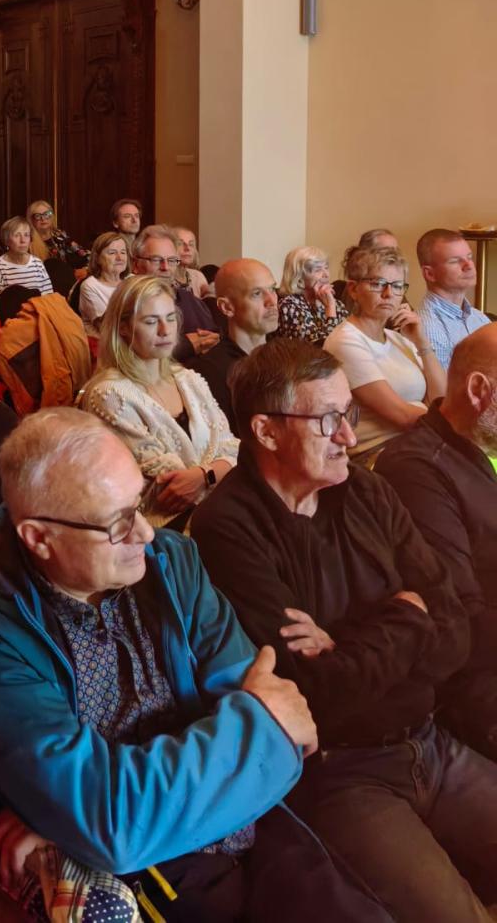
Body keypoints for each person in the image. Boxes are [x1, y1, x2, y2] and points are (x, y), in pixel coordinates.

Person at [0, 409, 390, 923]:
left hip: (249, 824)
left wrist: (86, 801)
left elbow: (283, 732)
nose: (146, 535)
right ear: (40, 538)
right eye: (117, 523)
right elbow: (113, 825)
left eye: (139, 505)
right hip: (147, 877)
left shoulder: (173, 562)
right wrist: (256, 734)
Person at [192, 337, 497, 923]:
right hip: (341, 773)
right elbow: (316, 695)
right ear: (266, 430)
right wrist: (407, 615)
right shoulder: (227, 528)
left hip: (428, 740)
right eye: (329, 420)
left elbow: (456, 631)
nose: (350, 438)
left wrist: (348, 641)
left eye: (349, 413)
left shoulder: (364, 489)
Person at [376, 323, 497, 762]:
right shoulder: (416, 468)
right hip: (473, 681)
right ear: (479, 390)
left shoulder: (484, 443)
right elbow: (461, 616)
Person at [81, 274, 238, 525]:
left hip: (217, 513)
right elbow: (167, 487)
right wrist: (220, 469)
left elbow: (232, 447)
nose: (165, 330)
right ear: (123, 328)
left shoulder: (189, 378)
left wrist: (204, 475)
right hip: (158, 529)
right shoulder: (108, 393)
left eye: (171, 318)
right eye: (151, 321)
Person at [324, 244, 446, 460]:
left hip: (420, 444)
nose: (389, 294)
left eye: (397, 286)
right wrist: (455, 422)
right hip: (377, 455)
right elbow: (402, 415)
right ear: (353, 290)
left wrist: (422, 342)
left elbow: (440, 400)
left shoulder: (399, 338)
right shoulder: (346, 341)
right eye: (377, 284)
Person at [192, 258, 280, 435]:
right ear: (226, 307)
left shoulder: (285, 357)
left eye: (272, 289)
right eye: (257, 293)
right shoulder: (210, 373)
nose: (271, 301)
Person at [130, 225, 219, 357]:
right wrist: (187, 345)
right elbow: (129, 353)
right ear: (136, 264)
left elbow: (214, 336)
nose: (165, 267)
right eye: (156, 260)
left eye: (171, 260)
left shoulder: (189, 299)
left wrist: (213, 341)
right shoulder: (126, 303)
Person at [416, 228, 489, 370]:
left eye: (469, 257)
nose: (469, 266)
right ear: (430, 274)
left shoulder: (479, 318)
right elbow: (443, 385)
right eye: (455, 261)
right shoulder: (428, 327)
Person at [276, 246, 348, 344]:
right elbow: (317, 347)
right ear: (299, 277)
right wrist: (330, 308)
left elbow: (348, 340)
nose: (326, 274)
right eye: (318, 270)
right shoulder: (289, 306)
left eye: (326, 268)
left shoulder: (337, 304)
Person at [0, 215, 53, 297]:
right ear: (7, 241)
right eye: (17, 235)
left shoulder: (37, 263)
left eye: (26, 235)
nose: (23, 240)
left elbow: (48, 295)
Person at [78, 231, 129, 335]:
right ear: (97, 258)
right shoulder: (91, 285)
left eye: (123, 252)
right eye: (112, 253)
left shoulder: (132, 280)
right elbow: (107, 326)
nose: (119, 258)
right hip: (106, 341)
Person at [26, 199, 88, 266]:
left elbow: (82, 253)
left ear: (52, 216)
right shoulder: (28, 241)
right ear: (31, 220)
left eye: (46, 214)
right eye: (37, 216)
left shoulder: (59, 234)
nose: (43, 219)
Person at [172, 225, 209, 298]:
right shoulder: (163, 278)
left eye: (191, 244)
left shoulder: (198, 277)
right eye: (180, 244)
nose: (187, 248)